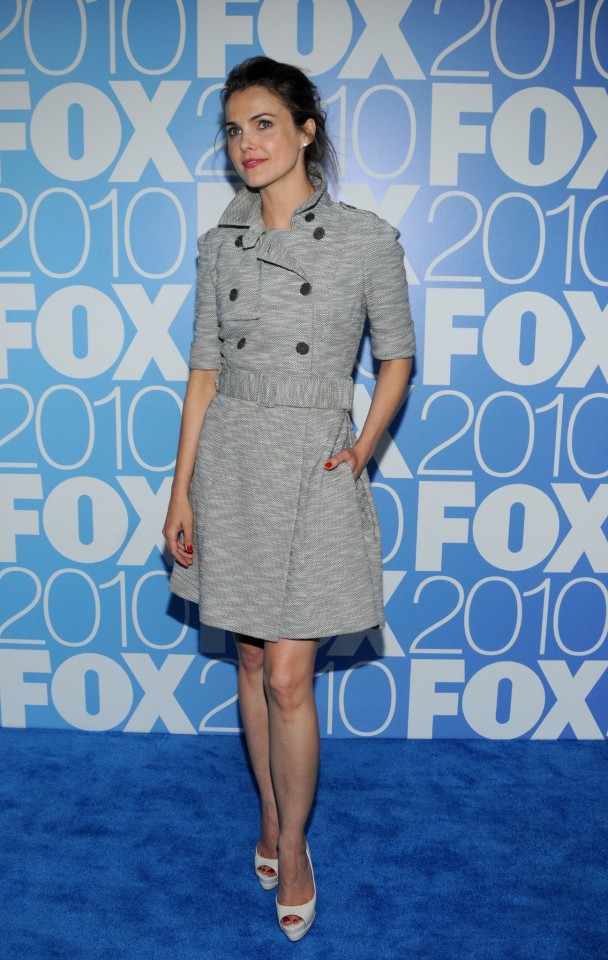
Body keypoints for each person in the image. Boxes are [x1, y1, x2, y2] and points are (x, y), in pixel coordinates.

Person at [162, 56, 415, 942]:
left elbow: (397, 356)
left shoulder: (367, 239)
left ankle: (296, 848)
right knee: (245, 662)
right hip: (231, 458)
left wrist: (364, 445)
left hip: (313, 462)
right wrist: (180, 491)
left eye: (263, 123)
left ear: (307, 129)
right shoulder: (216, 245)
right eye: (233, 130)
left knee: (288, 672)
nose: (246, 144)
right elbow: (203, 372)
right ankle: (267, 816)